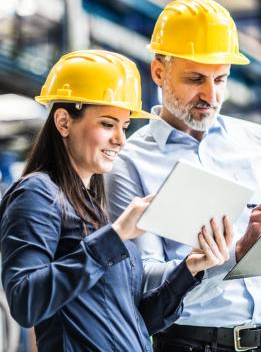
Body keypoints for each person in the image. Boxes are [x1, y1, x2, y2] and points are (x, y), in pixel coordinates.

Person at [106, 0, 261, 352]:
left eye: (221, 79)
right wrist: (235, 253)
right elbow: (145, 287)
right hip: (194, 344)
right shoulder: (130, 162)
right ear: (159, 72)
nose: (211, 94)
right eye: (195, 79)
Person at [0, 50, 233, 352]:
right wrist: (117, 235)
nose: (121, 140)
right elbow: (25, 302)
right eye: (108, 125)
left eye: (124, 127)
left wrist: (189, 270)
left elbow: (134, 322)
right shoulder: (37, 194)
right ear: (63, 122)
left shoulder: (94, 209)